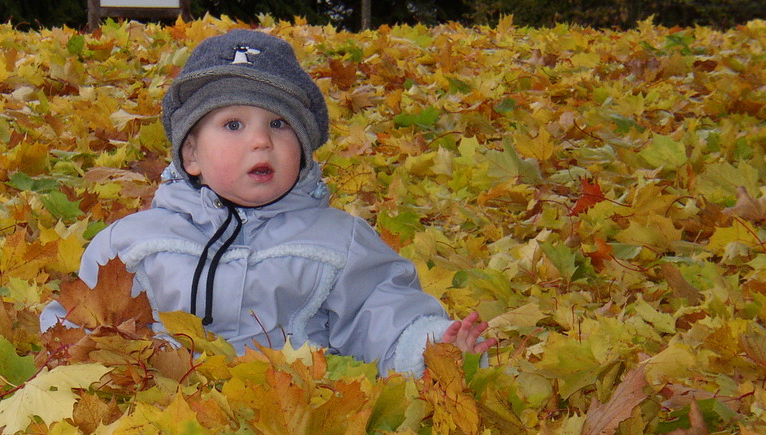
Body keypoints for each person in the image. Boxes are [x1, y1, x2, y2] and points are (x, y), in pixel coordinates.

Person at [40, 29, 496, 376]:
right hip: (162, 415)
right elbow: (85, 318)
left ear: (302, 151)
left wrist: (431, 347)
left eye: (279, 125)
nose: (260, 140)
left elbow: (379, 312)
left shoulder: (339, 241)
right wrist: (68, 355)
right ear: (192, 155)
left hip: (286, 413)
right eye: (233, 125)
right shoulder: (135, 243)